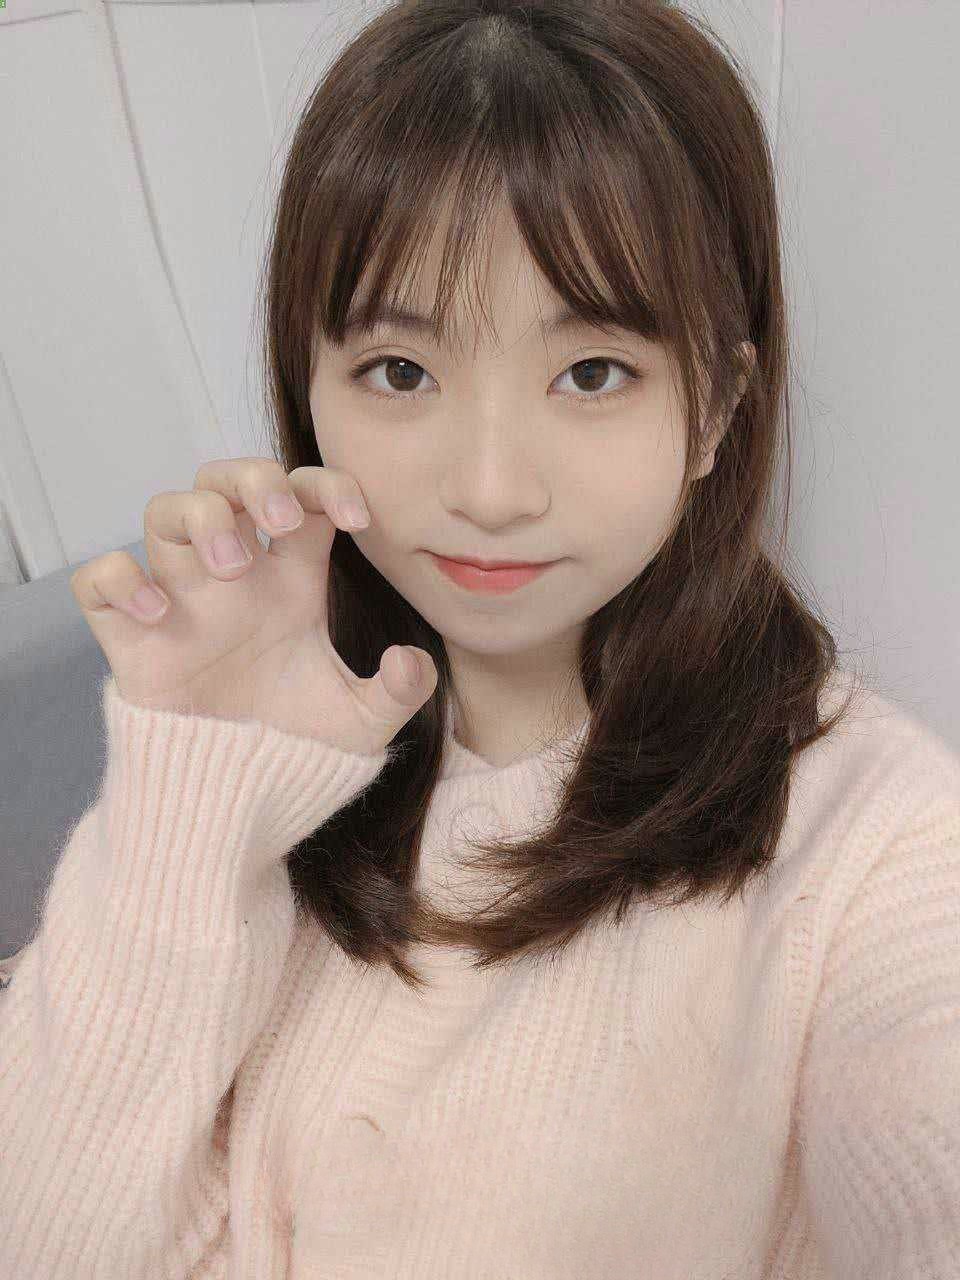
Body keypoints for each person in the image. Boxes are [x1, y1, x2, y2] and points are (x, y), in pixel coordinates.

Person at [2, 2, 958, 1276]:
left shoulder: (876, 839)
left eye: (593, 371)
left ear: (718, 407)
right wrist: (196, 787)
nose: (491, 488)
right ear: (308, 385)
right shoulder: (273, 762)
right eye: (401, 372)